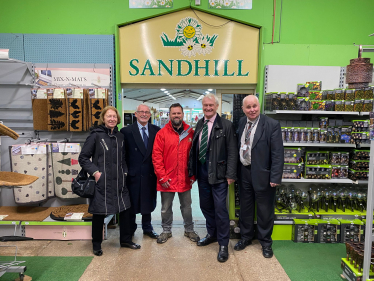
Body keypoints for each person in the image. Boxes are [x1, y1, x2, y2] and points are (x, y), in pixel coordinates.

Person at [79, 106, 140, 256]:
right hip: (102, 182)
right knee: (99, 213)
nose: (112, 119)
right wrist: (95, 172)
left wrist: (124, 171)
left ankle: (125, 240)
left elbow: (123, 158)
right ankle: (96, 244)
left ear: (117, 119)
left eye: (114, 116)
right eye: (109, 116)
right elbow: (83, 157)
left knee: (125, 209)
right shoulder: (95, 135)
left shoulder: (120, 137)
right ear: (103, 118)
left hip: (120, 180)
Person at [188, 93, 238, 263]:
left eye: (211, 105)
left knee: (220, 209)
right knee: (206, 205)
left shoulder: (226, 125)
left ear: (217, 106)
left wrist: (231, 173)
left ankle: (223, 244)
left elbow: (232, 151)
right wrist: (192, 170)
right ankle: (212, 234)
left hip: (219, 174)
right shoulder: (200, 123)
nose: (208, 108)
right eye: (205, 105)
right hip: (202, 172)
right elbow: (195, 148)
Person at [234, 95, 283, 258]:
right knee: (246, 208)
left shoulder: (271, 125)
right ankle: (246, 237)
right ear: (243, 109)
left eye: (254, 106)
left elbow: (277, 154)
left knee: (264, 210)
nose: (252, 109)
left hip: (264, 175)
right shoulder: (241, 122)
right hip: (244, 173)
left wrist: (275, 177)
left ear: (259, 106)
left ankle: (266, 242)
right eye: (248, 107)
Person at [152, 103, 200, 244]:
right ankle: (166, 231)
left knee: (187, 206)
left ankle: (189, 230)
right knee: (166, 207)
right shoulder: (162, 134)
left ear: (183, 114)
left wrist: (192, 175)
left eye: (179, 113)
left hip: (185, 178)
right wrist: (162, 177)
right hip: (167, 179)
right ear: (169, 115)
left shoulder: (190, 133)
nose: (176, 115)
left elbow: (194, 156)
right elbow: (156, 157)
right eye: (174, 113)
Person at [120, 104, 160, 239]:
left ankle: (147, 227)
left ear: (150, 115)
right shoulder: (126, 131)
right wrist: (125, 171)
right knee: (131, 203)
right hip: (133, 174)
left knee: (147, 201)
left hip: (150, 174)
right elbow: (122, 154)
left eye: (147, 112)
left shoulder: (156, 131)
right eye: (141, 112)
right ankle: (131, 228)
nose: (144, 114)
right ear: (135, 114)